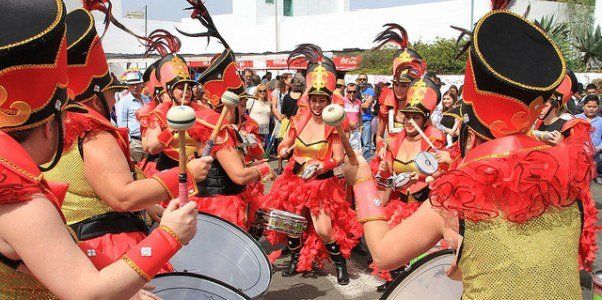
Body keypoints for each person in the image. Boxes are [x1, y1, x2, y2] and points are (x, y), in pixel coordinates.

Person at [345, 9, 597, 300]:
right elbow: (533, 257)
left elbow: (385, 254)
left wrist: (362, 180)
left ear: (471, 133)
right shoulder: (569, 178)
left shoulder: (458, 196)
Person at [0, 1, 197, 298]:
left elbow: (33, 265)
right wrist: (170, 234)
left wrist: (124, 286)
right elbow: (87, 293)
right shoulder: (20, 201)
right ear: (48, 126)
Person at [44, 8, 213, 267]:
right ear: (96, 94)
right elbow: (122, 196)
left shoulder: (53, 129)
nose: (114, 98)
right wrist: (187, 172)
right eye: (111, 91)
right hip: (108, 244)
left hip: (76, 245)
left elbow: (95, 185)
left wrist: (149, 207)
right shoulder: (92, 132)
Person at [261, 44, 362, 286]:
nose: (316, 105)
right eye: (313, 100)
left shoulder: (333, 126)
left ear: (327, 101)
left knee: (325, 230)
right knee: (292, 224)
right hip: (294, 179)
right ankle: (296, 258)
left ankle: (340, 265)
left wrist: (321, 166)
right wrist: (284, 149)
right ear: (309, 99)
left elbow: (338, 158)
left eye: (321, 100)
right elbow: (286, 142)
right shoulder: (299, 119)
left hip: (320, 185)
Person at [182, 2, 273, 229]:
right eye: (241, 104)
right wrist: (265, 168)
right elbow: (239, 176)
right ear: (230, 106)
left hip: (224, 202)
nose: (244, 110)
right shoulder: (218, 132)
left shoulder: (228, 129)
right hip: (220, 207)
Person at [368, 77, 445, 291]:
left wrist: (419, 177)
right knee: (390, 245)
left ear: (424, 119)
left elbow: (438, 173)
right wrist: (384, 169)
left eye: (415, 117)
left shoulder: (434, 139)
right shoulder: (395, 140)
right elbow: (388, 172)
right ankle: (396, 281)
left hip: (423, 206)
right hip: (399, 202)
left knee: (420, 255)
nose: (410, 121)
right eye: (407, 116)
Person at [371, 24, 426, 149]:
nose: (398, 89)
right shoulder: (387, 109)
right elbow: (379, 136)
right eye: (396, 84)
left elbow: (431, 135)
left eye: (404, 85)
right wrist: (381, 147)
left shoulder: (421, 110)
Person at [117, 69, 150, 162]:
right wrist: (129, 142)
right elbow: (122, 124)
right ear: (128, 86)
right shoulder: (124, 102)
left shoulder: (146, 99)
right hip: (134, 142)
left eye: (137, 84)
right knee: (137, 171)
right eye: (132, 85)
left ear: (141, 84)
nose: (135, 87)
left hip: (147, 141)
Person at [576, 95, 602, 184]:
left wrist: (599, 147)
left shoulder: (600, 121)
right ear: (584, 106)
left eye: (594, 107)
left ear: (598, 107)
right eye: (589, 106)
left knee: (590, 177)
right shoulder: (576, 119)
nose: (591, 109)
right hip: (579, 155)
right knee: (578, 178)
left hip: (595, 156)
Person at [247, 83, 277, 148]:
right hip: (254, 128)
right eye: (260, 91)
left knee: (263, 147)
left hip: (265, 128)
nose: (262, 92)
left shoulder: (268, 102)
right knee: (255, 147)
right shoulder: (252, 101)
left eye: (264, 90)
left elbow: (271, 114)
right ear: (257, 92)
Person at [357, 73, 376, 159]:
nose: (362, 81)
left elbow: (366, 105)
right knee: (356, 144)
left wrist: (354, 104)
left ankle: (366, 163)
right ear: (358, 80)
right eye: (360, 79)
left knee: (366, 144)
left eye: (364, 79)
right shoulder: (355, 90)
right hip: (355, 120)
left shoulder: (370, 91)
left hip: (366, 120)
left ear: (366, 81)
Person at [344, 83, 363, 150]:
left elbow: (359, 115)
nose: (352, 93)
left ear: (357, 92)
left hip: (355, 132)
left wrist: (361, 126)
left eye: (354, 92)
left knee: (356, 152)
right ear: (346, 92)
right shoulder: (342, 101)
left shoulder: (358, 102)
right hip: (345, 132)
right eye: (349, 92)